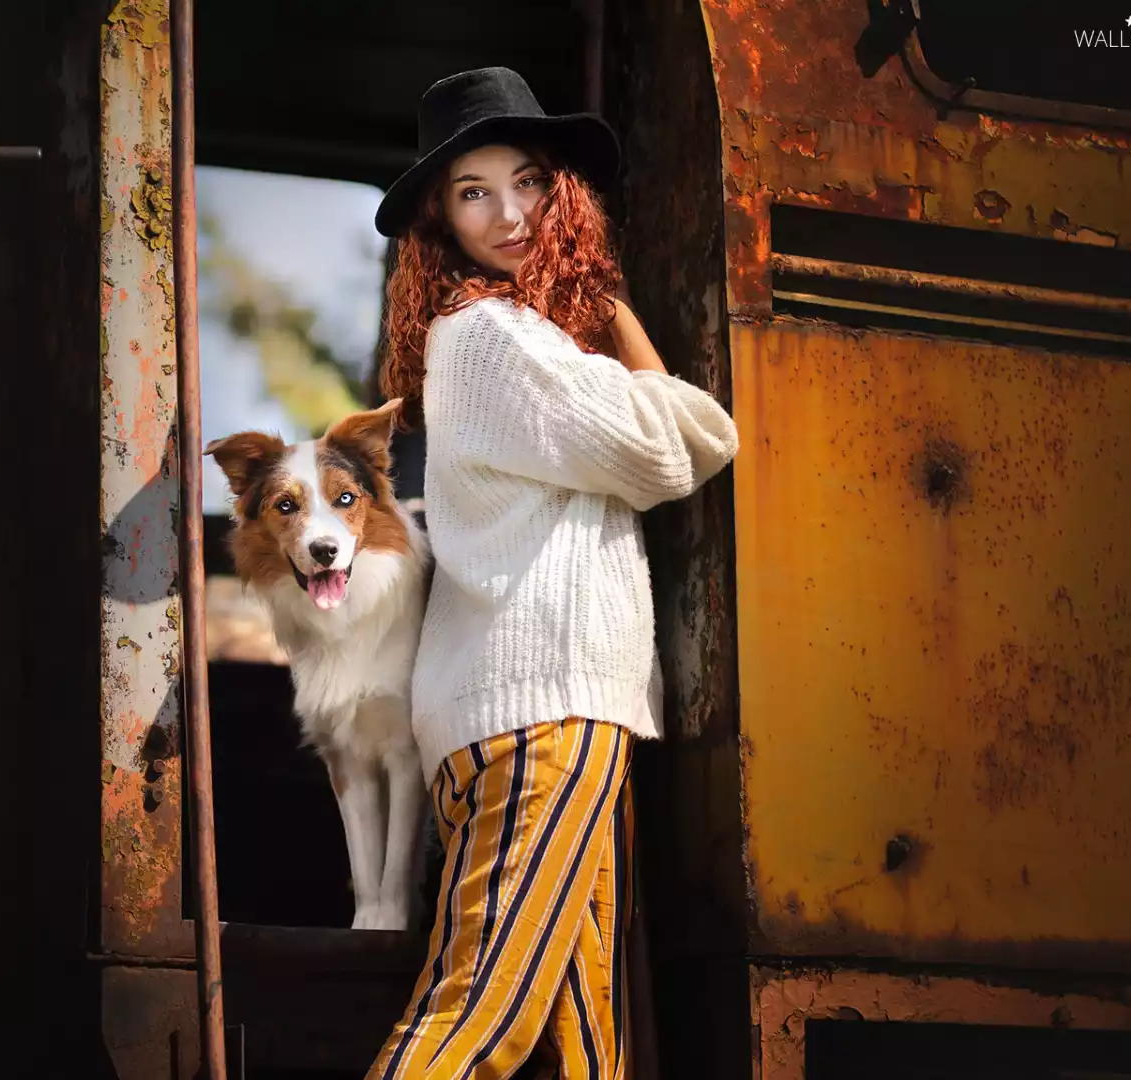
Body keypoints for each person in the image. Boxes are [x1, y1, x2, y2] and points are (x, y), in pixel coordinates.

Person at [365, 67, 739, 1080]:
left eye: (527, 181)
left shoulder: (509, 343)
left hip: (525, 708)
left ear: (561, 191)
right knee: (476, 1021)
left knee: (585, 1051)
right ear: (440, 221)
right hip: (544, 709)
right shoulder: (493, 337)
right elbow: (688, 442)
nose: (510, 215)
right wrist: (612, 310)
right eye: (474, 192)